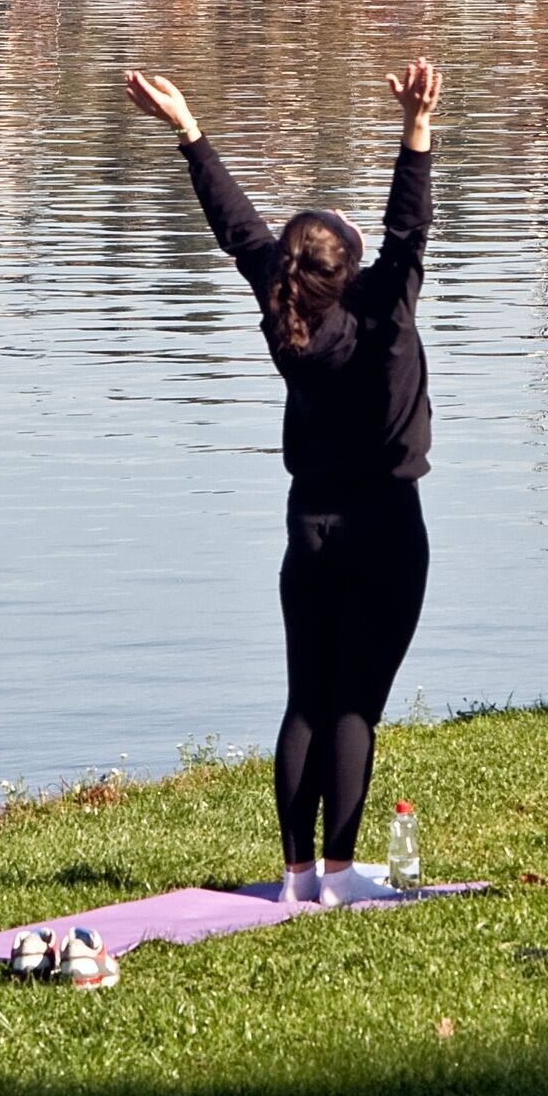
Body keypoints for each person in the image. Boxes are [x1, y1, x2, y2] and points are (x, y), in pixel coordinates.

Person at [123, 57, 443, 905]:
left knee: (306, 699)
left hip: (311, 529)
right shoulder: (383, 311)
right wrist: (415, 129)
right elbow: (409, 228)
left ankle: (296, 877)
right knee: (354, 706)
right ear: (348, 265)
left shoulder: (284, 310)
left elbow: (238, 229)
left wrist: (190, 131)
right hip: (385, 526)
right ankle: (340, 877)